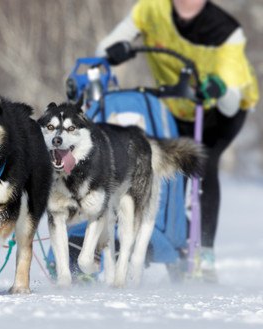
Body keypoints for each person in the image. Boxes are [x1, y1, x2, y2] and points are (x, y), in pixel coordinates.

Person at [95, 0, 259, 281]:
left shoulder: (226, 30)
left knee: (202, 163)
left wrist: (218, 88)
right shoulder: (150, 9)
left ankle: (203, 254)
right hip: (177, 104)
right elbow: (104, 50)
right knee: (170, 165)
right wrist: (115, 51)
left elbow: (231, 101)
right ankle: (178, 242)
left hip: (220, 110)